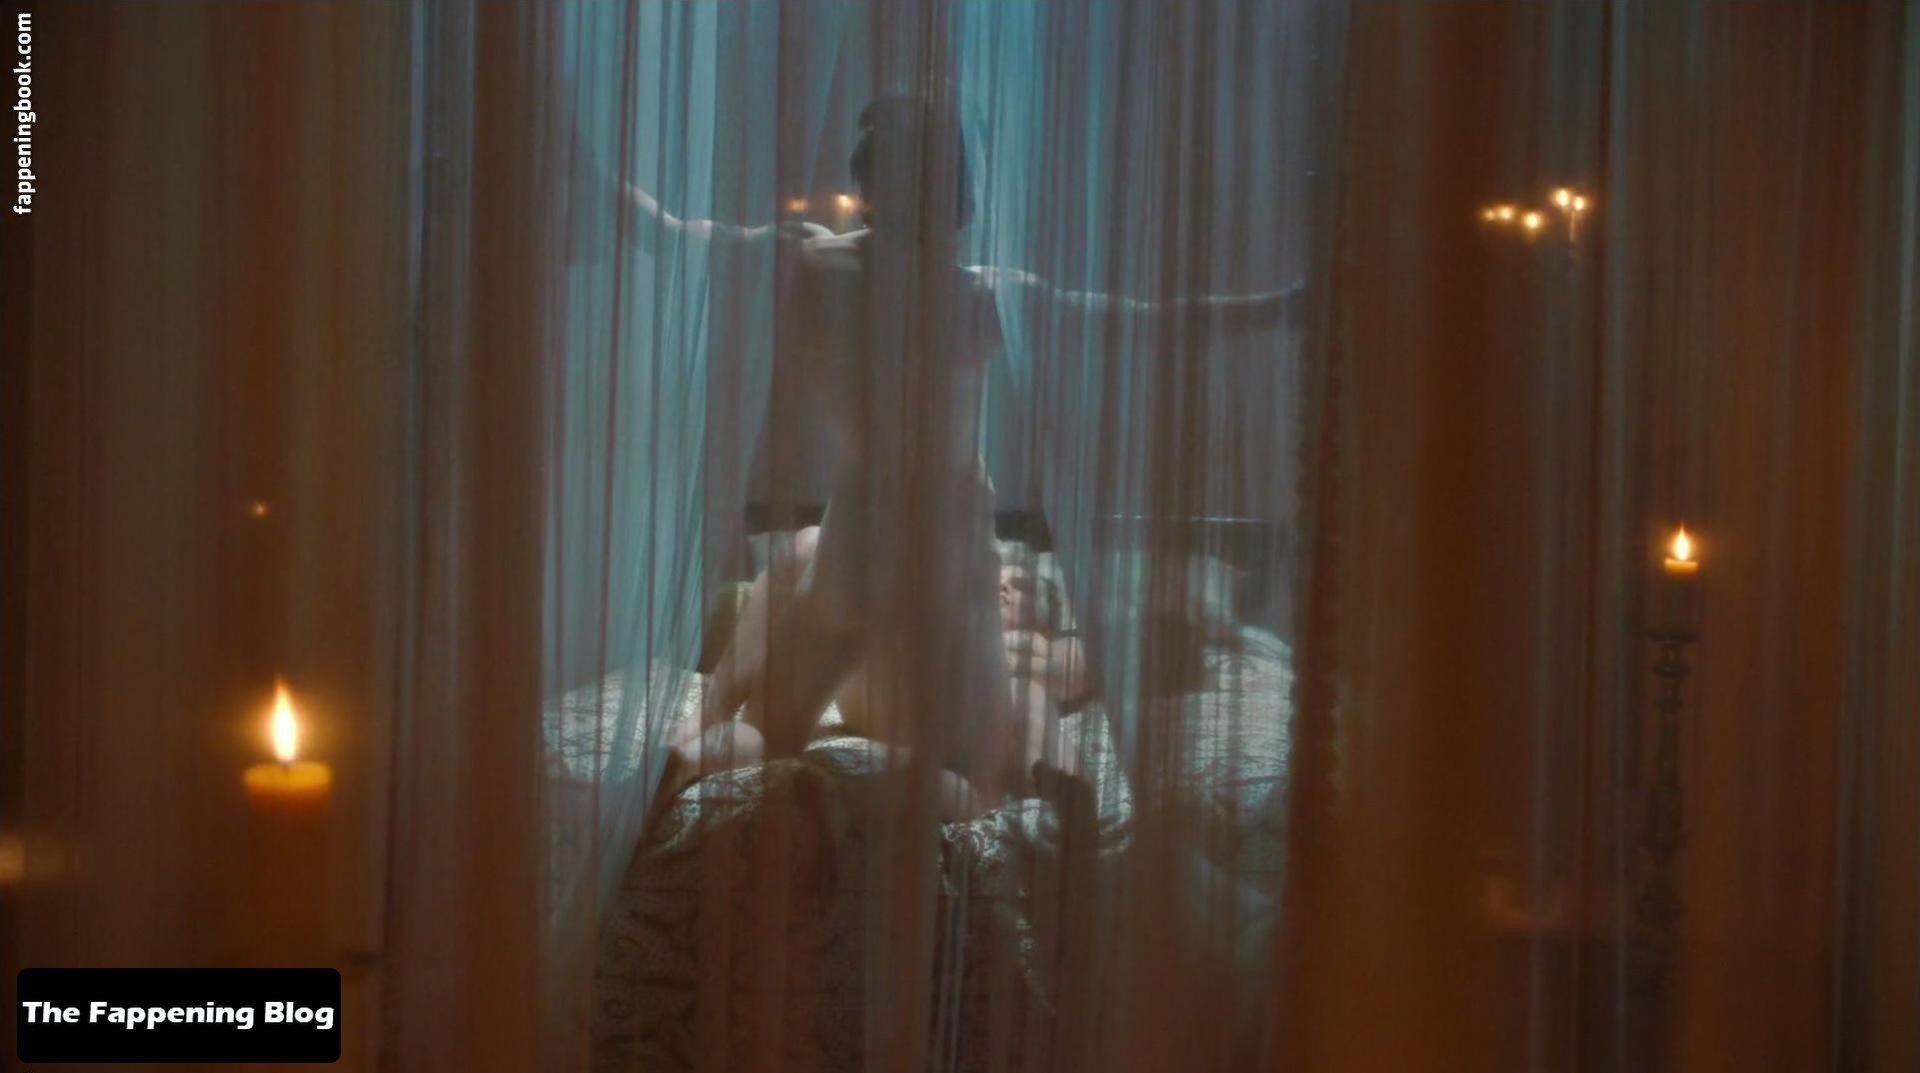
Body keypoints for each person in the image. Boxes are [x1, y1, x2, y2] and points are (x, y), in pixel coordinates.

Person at [615, 89, 1299, 811]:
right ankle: (903, 797)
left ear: (867, 178)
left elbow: (670, 233)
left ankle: (690, 753)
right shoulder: (982, 296)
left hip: (854, 541)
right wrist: (1279, 308)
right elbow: (1145, 325)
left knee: (767, 729)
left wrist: (587, 169)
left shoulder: (807, 258)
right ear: (958, 196)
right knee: (980, 777)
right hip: (945, 554)